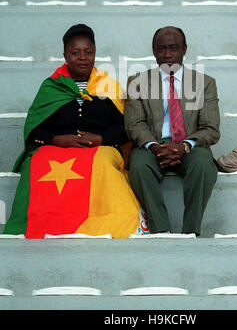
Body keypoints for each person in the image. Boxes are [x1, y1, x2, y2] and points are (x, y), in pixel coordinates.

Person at [4, 24, 149, 238]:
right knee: (38, 162)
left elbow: (126, 130)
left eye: (88, 52)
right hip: (55, 148)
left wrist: (101, 138)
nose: (82, 57)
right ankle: (36, 227)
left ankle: (116, 224)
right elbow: (34, 130)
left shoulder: (109, 86)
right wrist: (56, 139)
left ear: (95, 54)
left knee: (102, 163)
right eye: (75, 53)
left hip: (100, 149)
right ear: (65, 55)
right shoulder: (51, 88)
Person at [124, 26, 220, 236]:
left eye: (174, 48)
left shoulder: (205, 83)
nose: (167, 54)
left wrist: (184, 146)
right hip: (152, 146)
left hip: (189, 147)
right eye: (162, 49)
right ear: (154, 51)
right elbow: (135, 124)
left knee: (203, 164)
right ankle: (161, 230)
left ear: (185, 49)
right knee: (138, 166)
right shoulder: (137, 82)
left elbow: (210, 128)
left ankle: (190, 232)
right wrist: (156, 147)